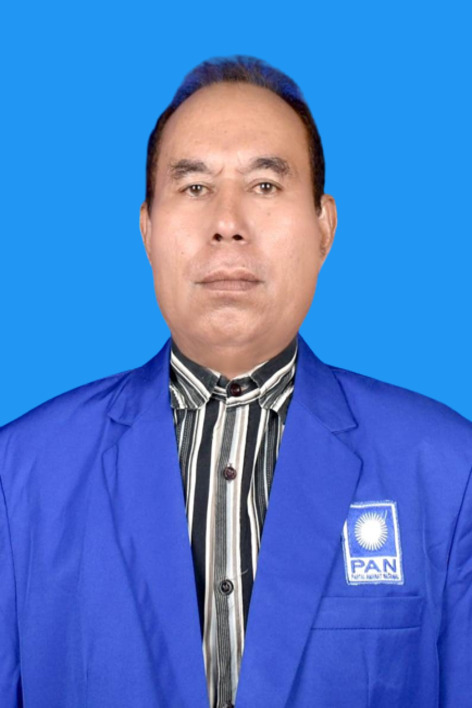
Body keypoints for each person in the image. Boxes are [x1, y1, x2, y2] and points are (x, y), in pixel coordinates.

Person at [0, 55, 471, 708]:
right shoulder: (21, 474)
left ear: (324, 226)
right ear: (147, 228)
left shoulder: (448, 470)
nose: (228, 222)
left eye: (265, 186)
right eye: (195, 187)